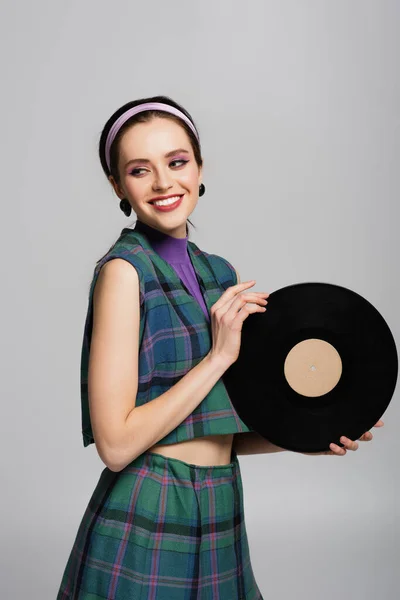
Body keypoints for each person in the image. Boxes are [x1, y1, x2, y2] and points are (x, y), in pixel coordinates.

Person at [56, 95, 383, 599]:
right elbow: (116, 446)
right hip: (151, 509)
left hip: (221, 506)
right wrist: (219, 357)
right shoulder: (124, 273)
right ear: (118, 185)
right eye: (140, 170)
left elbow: (223, 430)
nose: (164, 183)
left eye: (177, 161)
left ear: (200, 166)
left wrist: (313, 434)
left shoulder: (219, 274)